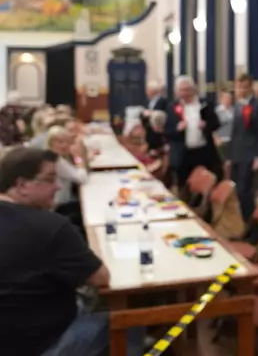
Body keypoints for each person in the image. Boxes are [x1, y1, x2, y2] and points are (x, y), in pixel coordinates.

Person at [0, 147, 142, 356]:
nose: (58, 186)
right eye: (50, 179)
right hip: (44, 344)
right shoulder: (49, 226)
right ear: (22, 185)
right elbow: (100, 278)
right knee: (132, 318)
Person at [227, 73, 258, 241]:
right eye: (239, 86)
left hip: (250, 154)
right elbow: (235, 132)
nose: (241, 89)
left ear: (250, 86)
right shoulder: (238, 106)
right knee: (239, 193)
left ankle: (256, 232)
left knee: (246, 192)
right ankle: (247, 227)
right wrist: (230, 156)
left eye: (244, 86)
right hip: (237, 154)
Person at [165, 75, 223, 191]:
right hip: (183, 155)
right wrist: (177, 129)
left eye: (187, 90)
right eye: (182, 90)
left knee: (208, 187)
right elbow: (167, 132)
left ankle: (205, 208)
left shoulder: (205, 103)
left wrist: (206, 125)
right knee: (184, 188)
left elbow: (216, 123)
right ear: (177, 92)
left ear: (193, 89)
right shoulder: (172, 107)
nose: (185, 93)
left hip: (204, 152)